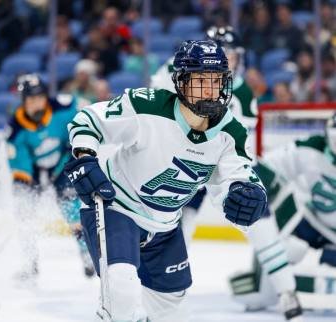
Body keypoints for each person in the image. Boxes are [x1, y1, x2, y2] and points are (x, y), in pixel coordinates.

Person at [65, 40, 275, 321]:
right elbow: (88, 120)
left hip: (165, 228)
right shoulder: (147, 105)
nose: (211, 90)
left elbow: (238, 178)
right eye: (201, 80)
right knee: (121, 291)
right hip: (116, 208)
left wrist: (250, 197)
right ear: (181, 82)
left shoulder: (231, 132)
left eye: (217, 80)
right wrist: (85, 157)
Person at [150, 28, 302, 321]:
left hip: (225, 159)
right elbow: (159, 106)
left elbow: (238, 140)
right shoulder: (175, 69)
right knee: (175, 224)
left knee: (258, 221)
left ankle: (287, 290)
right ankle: (163, 287)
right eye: (224, 54)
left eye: (232, 55)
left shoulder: (241, 90)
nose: (229, 61)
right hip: (185, 157)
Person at [231, 115, 336, 317]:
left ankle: (315, 278)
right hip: (311, 222)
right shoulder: (311, 148)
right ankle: (270, 282)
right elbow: (265, 171)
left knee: (325, 280)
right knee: (289, 245)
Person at [6, 74, 94, 284]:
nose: (37, 103)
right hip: (36, 170)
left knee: (71, 206)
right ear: (23, 102)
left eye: (40, 97)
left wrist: (76, 139)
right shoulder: (15, 129)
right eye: (31, 99)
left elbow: (90, 113)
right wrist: (27, 185)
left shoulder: (62, 106)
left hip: (64, 163)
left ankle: (86, 254)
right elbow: (20, 165)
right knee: (23, 209)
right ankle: (31, 263)